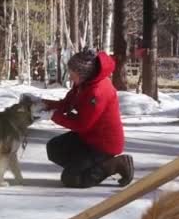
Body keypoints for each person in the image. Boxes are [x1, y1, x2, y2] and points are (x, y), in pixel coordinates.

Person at [42, 48, 134, 188]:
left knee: (71, 179)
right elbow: (67, 104)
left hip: (103, 145)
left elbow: (82, 124)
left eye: (73, 73)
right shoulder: (83, 83)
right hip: (88, 137)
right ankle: (84, 167)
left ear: (83, 73)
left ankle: (111, 165)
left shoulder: (97, 92)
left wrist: (53, 115)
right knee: (54, 148)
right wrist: (43, 104)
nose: (70, 76)